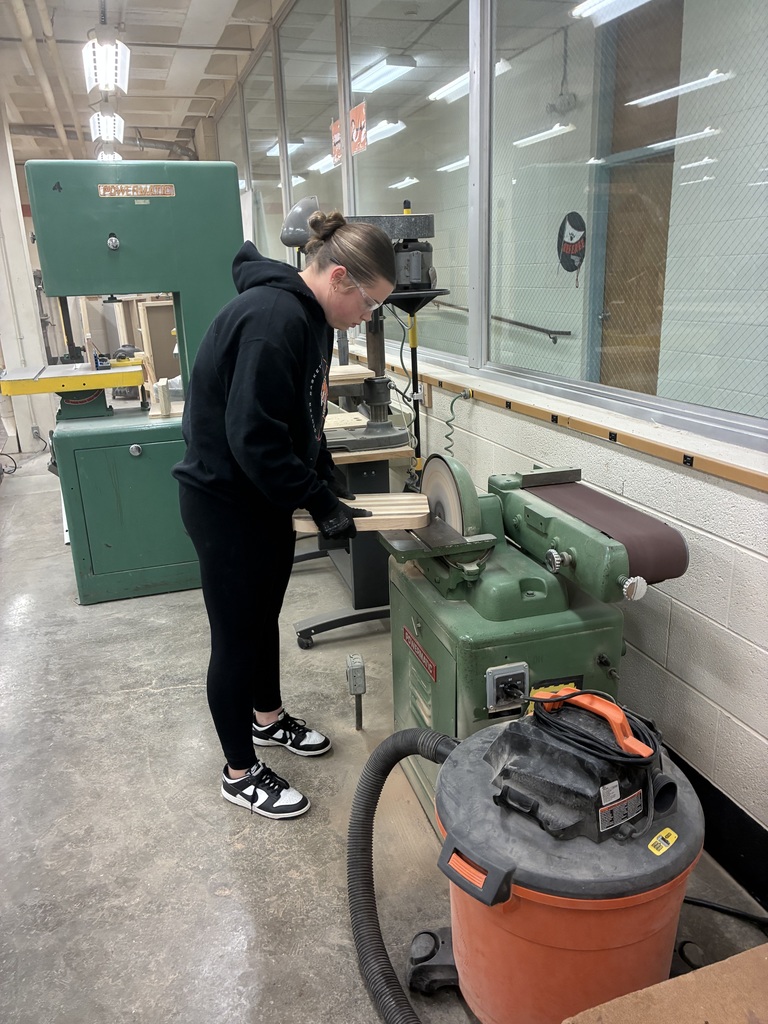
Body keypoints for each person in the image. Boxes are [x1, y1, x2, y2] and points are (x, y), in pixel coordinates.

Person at [172, 210, 396, 819]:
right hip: (225, 501)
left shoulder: (313, 320)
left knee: (262, 614)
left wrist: (322, 474)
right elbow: (254, 438)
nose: (369, 316)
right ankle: (238, 771)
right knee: (236, 634)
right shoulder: (273, 320)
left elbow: (302, 417)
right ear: (342, 277)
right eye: (371, 303)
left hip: (260, 496)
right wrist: (319, 501)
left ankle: (267, 719)